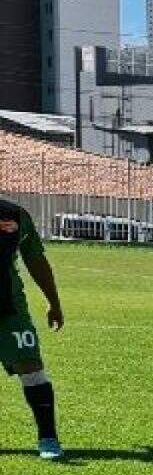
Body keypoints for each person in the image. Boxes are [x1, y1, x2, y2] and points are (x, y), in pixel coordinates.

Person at [1, 195, 65, 460]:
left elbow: (35, 259)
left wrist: (54, 302)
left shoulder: (14, 215)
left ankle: (48, 438)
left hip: (7, 305)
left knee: (30, 365)